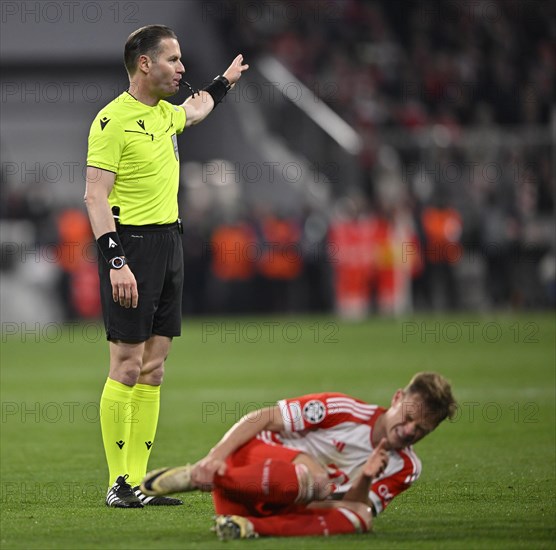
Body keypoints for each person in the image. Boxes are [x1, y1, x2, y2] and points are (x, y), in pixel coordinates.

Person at [84, 24, 248, 508]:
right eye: (173, 59)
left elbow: (196, 110)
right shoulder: (112, 122)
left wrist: (225, 82)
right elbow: (94, 196)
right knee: (127, 365)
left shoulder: (163, 116)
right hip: (129, 247)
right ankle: (119, 482)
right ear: (145, 64)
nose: (181, 68)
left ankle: (138, 484)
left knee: (154, 368)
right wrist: (115, 260)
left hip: (169, 241)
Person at [141, 372, 457, 538]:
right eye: (408, 417)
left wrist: (366, 477)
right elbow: (262, 417)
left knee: (360, 518)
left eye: (421, 429)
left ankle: (246, 528)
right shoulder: (345, 410)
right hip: (248, 469)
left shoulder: (407, 467)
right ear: (398, 397)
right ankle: (198, 477)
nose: (409, 430)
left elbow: (354, 507)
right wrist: (213, 459)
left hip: (261, 507)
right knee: (316, 478)